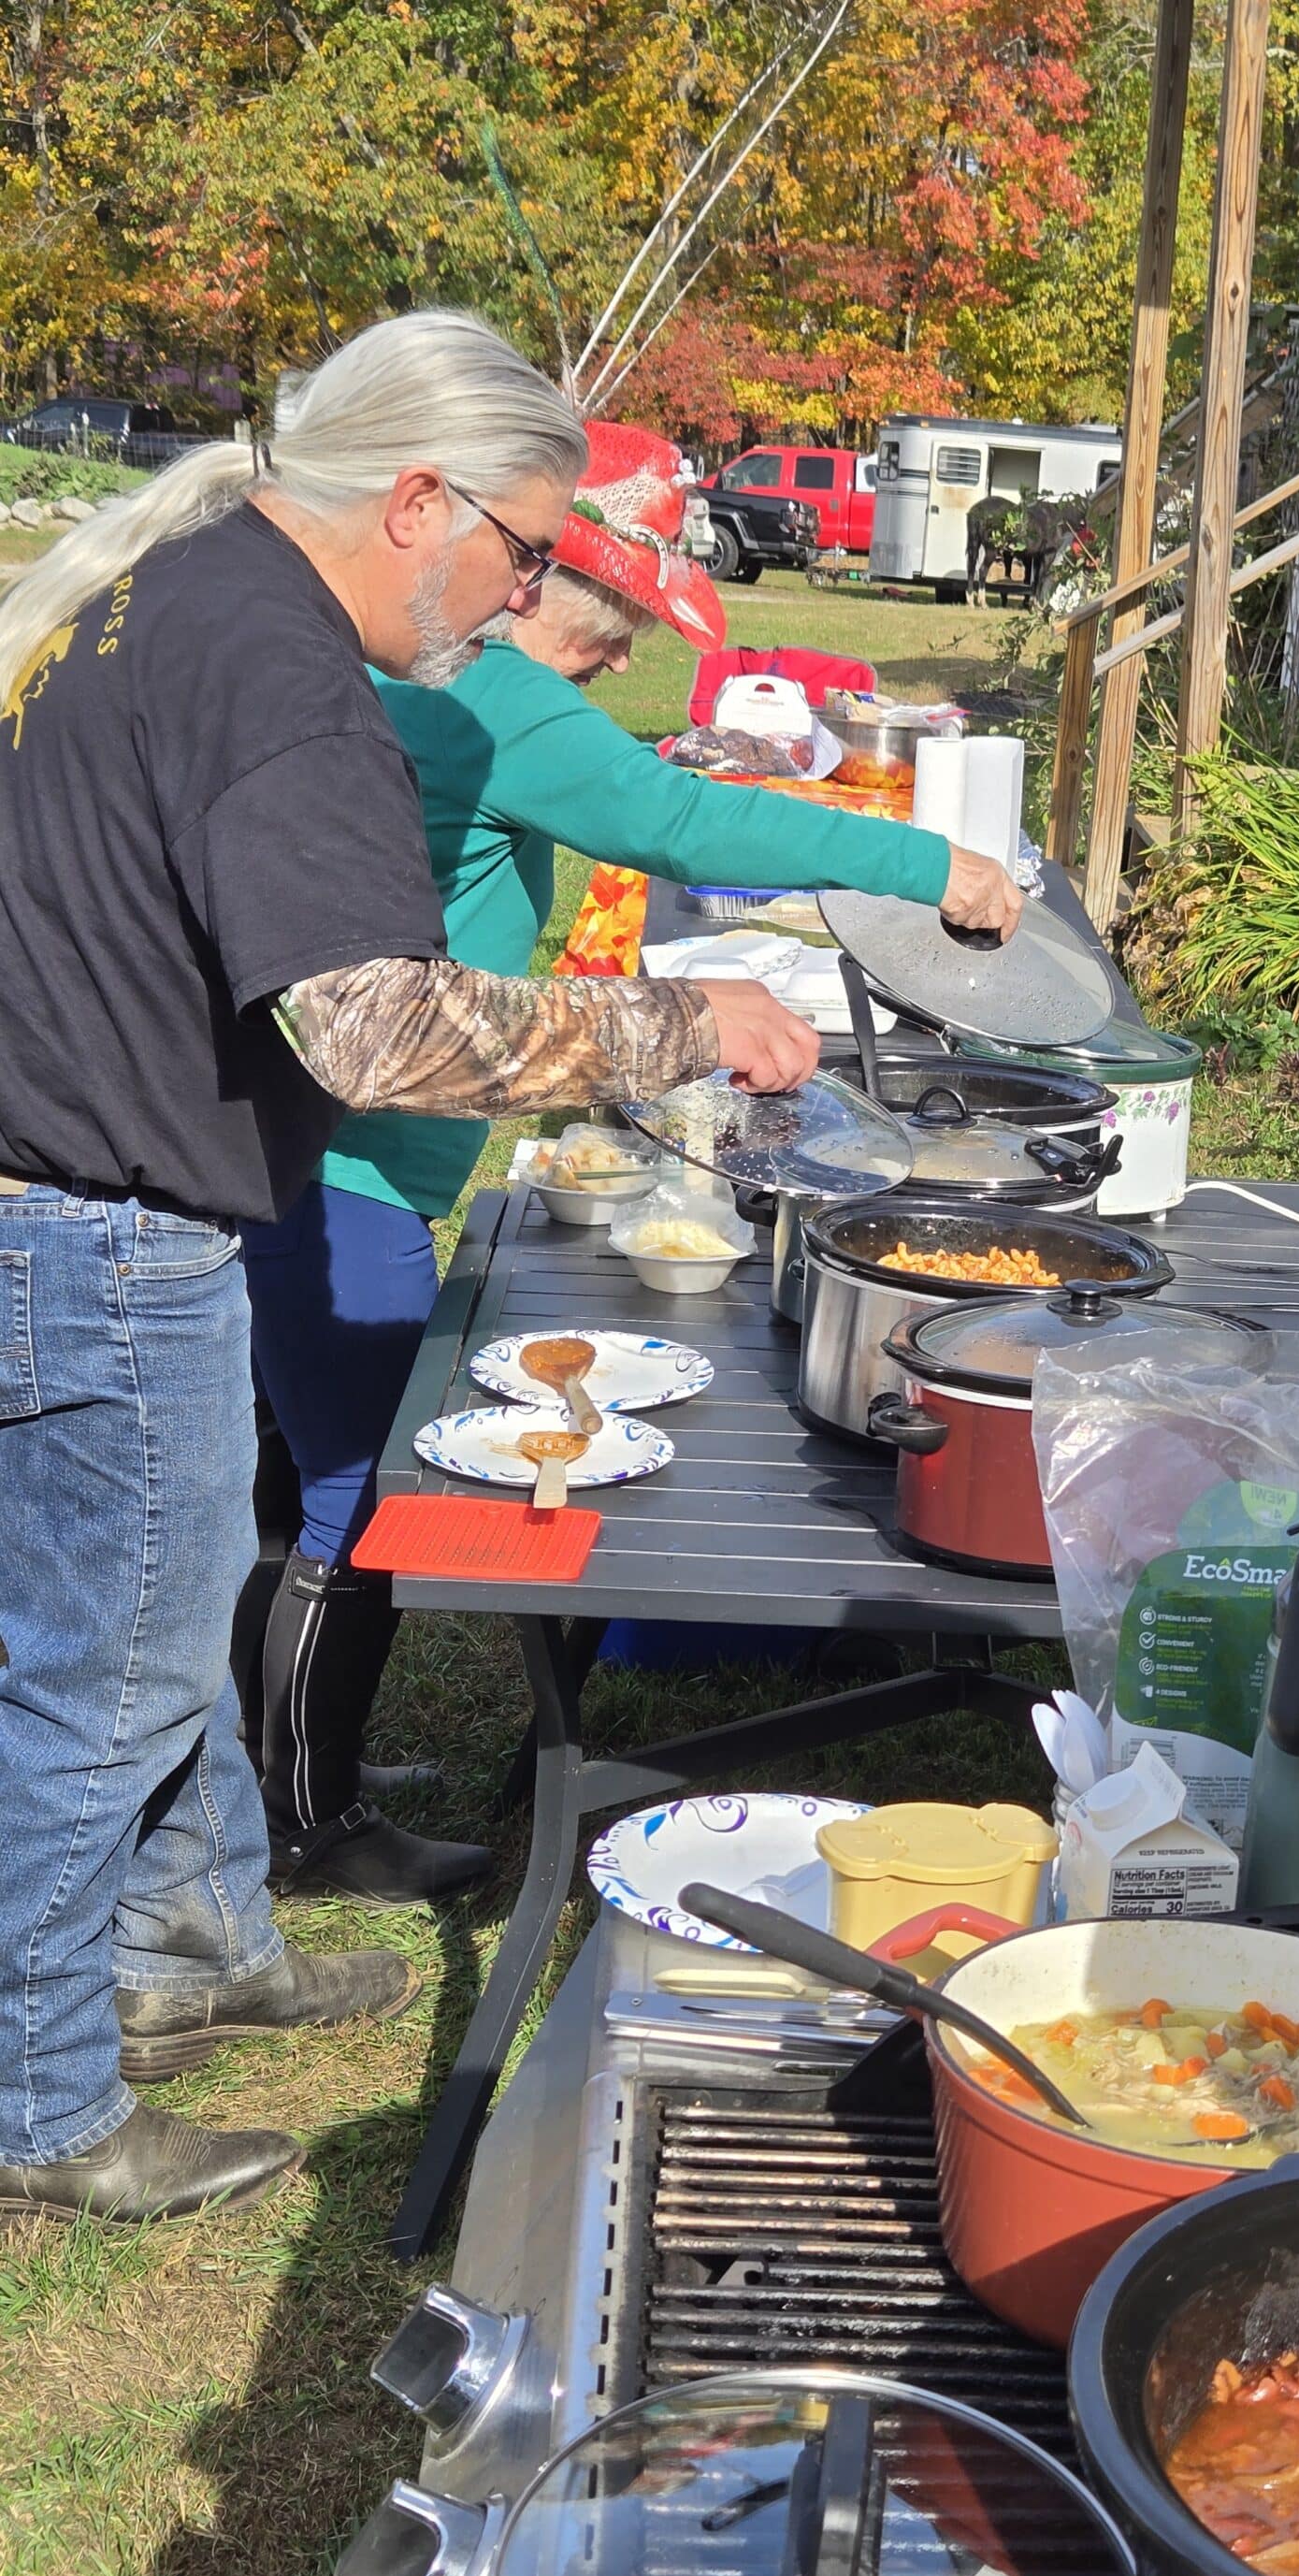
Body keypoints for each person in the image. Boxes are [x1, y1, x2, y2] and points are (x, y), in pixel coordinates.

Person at [0, 311, 845, 2224]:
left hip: (106, 1191)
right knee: (100, 1682)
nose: (527, 594)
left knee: (175, 1596)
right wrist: (671, 1025)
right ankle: (41, 2105)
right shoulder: (289, 678)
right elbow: (375, 1034)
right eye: (526, 551)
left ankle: (202, 1937)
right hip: (86, 1210)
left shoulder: (183, 581)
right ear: (415, 502)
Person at [238, 420, 1023, 1903]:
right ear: (530, 583)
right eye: (617, 640)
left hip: (319, 1135)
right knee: (350, 1500)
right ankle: (302, 1830)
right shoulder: (499, 693)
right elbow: (673, 820)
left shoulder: (428, 674)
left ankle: (285, 1772)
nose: (612, 672)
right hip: (353, 1161)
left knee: (294, 1485)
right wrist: (936, 864)